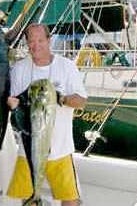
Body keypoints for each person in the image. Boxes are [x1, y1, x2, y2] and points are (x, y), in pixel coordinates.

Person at [7, 23, 87, 206]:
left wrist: (62, 99)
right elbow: (14, 106)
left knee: (70, 200)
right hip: (28, 150)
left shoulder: (66, 66)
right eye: (31, 41)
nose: (36, 46)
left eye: (40, 40)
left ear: (49, 40)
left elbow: (81, 101)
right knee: (27, 197)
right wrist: (13, 105)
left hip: (60, 149)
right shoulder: (19, 69)